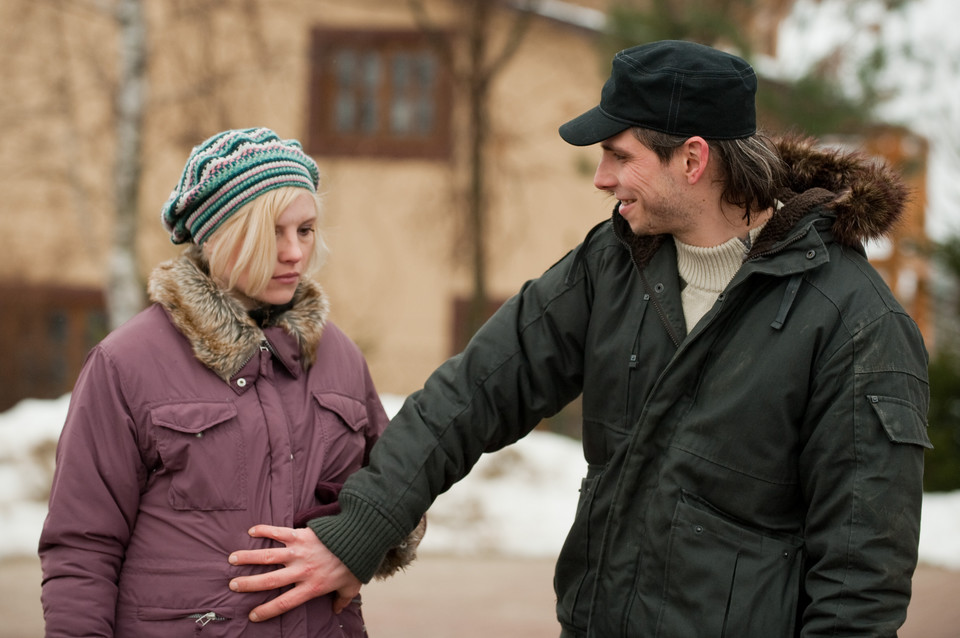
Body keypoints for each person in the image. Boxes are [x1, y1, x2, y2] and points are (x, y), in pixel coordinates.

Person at [227, 41, 931, 637]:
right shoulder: (613, 263)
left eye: (620, 156)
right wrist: (358, 536)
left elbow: (860, 577)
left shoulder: (855, 324)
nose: (602, 179)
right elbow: (476, 391)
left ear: (692, 160)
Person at [38, 127, 423, 637]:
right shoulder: (127, 363)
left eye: (305, 230)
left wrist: (358, 546)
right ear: (216, 235)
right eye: (272, 233)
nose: (294, 254)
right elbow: (82, 547)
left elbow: (400, 492)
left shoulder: (340, 359)